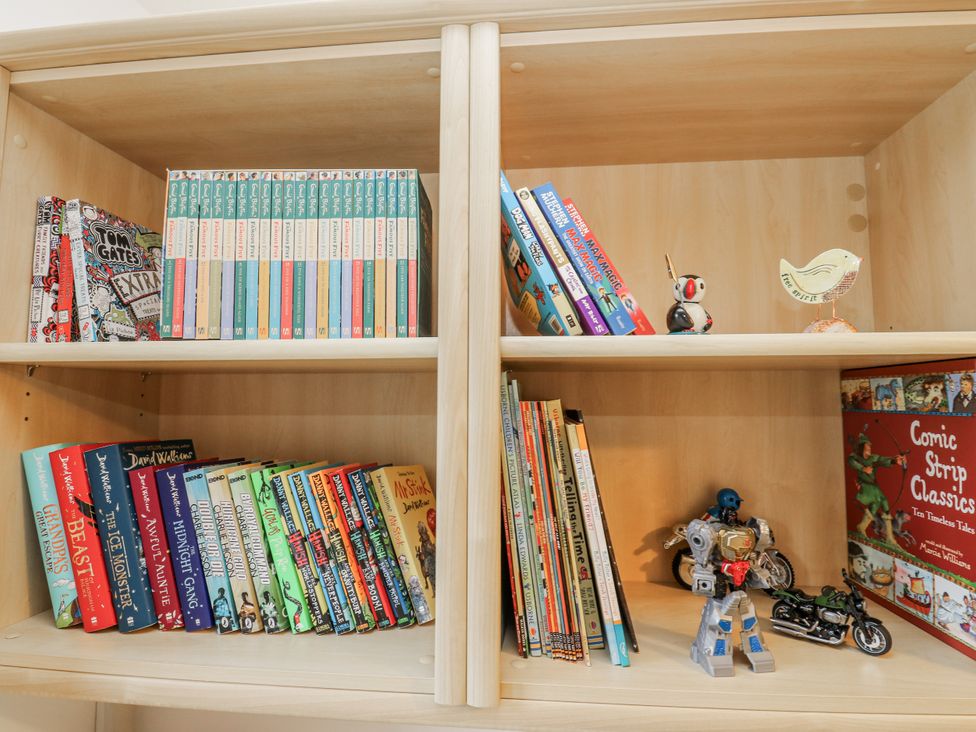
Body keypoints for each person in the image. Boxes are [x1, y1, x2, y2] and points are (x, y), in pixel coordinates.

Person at [848, 434, 906, 546]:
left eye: (870, 447)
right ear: (861, 447)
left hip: (873, 486)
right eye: (867, 446)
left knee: (883, 502)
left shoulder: (873, 458)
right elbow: (851, 461)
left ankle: (868, 529)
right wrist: (863, 468)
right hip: (865, 486)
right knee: (879, 499)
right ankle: (887, 537)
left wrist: (894, 461)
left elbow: (882, 460)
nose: (869, 449)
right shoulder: (855, 457)